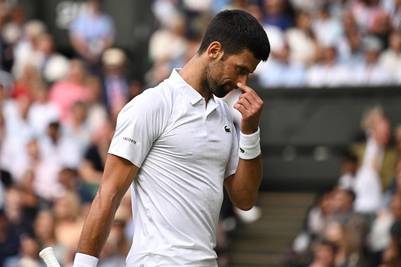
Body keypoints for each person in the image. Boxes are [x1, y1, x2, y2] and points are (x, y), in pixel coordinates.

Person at [73, 9, 270, 267]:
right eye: (240, 69)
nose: (242, 83)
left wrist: (250, 131)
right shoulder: (151, 106)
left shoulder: (225, 116)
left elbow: (244, 199)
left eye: (249, 74)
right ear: (214, 50)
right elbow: (108, 194)